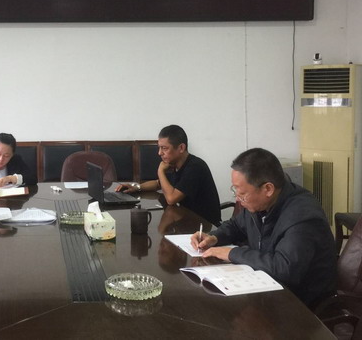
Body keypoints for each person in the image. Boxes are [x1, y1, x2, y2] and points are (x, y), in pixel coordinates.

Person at [191, 148, 337, 307]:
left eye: (242, 193)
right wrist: (214, 237)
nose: (238, 199)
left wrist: (232, 253)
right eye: (235, 190)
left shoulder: (303, 216)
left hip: (301, 302)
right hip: (267, 286)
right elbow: (236, 225)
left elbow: (284, 269)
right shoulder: (259, 204)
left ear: (268, 189)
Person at [117, 125, 221, 226]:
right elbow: (158, 183)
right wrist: (136, 187)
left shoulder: (195, 167)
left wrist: (160, 171)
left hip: (205, 227)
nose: (159, 153)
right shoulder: (176, 164)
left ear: (181, 148)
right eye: (159, 148)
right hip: (187, 220)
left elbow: (171, 199)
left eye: (164, 148)